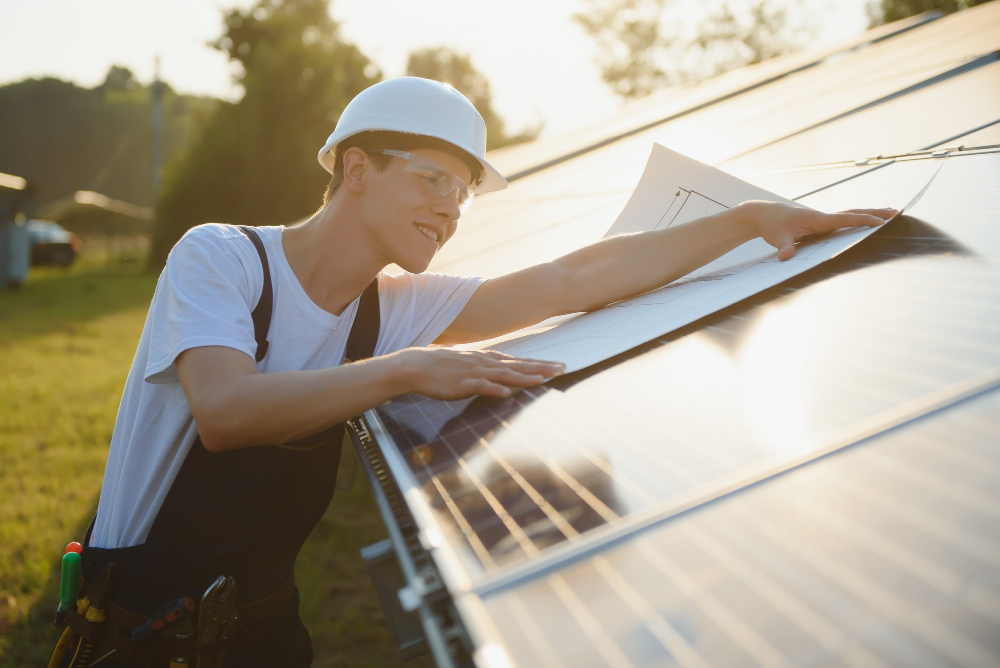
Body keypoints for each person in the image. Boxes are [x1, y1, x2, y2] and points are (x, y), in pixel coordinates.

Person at [68, 77, 895, 666]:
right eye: (432, 179)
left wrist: (748, 220)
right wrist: (406, 373)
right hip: (143, 633)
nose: (450, 209)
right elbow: (227, 411)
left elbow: (569, 281)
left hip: (261, 629)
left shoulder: (386, 307)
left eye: (463, 193)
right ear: (356, 168)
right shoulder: (221, 257)